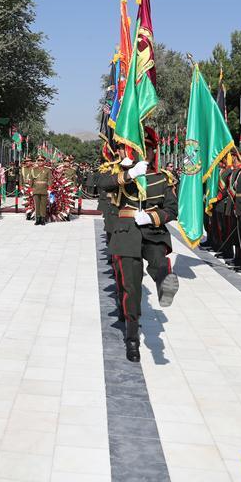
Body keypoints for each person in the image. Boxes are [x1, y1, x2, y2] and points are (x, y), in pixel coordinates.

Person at [96, 127, 178, 362]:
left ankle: (164, 283)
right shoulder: (122, 172)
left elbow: (172, 210)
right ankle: (132, 338)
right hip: (126, 231)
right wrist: (129, 174)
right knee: (131, 288)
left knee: (158, 259)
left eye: (149, 150)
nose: (146, 155)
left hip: (152, 230)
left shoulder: (162, 177)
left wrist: (153, 217)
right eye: (142, 150)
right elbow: (103, 184)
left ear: (154, 152)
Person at [27, 155, 50, 225]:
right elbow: (31, 180)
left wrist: (49, 189)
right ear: (37, 161)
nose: (40, 162)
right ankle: (38, 219)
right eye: (39, 160)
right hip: (36, 189)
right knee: (37, 205)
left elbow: (50, 180)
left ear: (44, 161)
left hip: (44, 189)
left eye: (42, 160)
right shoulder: (33, 170)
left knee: (43, 204)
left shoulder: (47, 170)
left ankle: (42, 219)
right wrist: (30, 189)